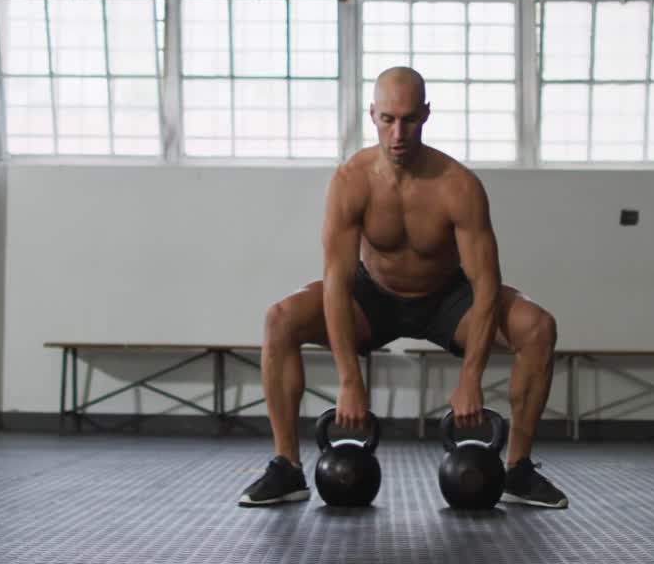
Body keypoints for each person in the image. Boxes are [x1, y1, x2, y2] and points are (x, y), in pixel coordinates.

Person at [238, 66, 568, 509]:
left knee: (538, 328)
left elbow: (486, 284)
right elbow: (337, 283)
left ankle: (519, 469)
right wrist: (349, 381)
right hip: (371, 297)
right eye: (388, 119)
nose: (398, 133)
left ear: (426, 115)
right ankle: (286, 467)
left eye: (409, 119)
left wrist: (471, 378)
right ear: (372, 114)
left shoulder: (459, 186)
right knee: (280, 319)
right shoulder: (350, 181)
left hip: (448, 299)